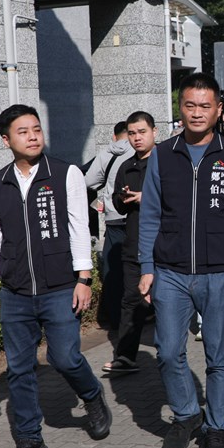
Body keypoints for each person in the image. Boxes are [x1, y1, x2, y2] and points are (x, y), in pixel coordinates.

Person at [0, 105, 112, 448]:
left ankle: (91, 395)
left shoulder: (65, 173)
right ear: (7, 140)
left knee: (65, 357)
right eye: (23, 131)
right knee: (20, 369)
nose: (33, 136)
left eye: (36, 129)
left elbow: (78, 227)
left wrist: (84, 278)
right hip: (16, 292)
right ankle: (29, 440)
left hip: (58, 287)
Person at [138, 73, 224, 448]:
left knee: (218, 356)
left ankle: (216, 428)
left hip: (220, 271)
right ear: (180, 107)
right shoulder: (162, 154)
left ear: (218, 110)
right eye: (189, 105)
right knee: (168, 351)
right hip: (170, 272)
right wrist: (146, 266)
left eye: (204, 106)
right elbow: (151, 215)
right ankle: (188, 414)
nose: (196, 112)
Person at [102, 111, 157, 373]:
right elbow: (118, 206)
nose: (136, 138)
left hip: (164, 245)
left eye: (142, 132)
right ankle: (125, 356)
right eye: (132, 133)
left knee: (166, 301)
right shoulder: (126, 167)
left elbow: (178, 202)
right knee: (130, 300)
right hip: (133, 243)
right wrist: (122, 199)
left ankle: (169, 352)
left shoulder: (165, 163)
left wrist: (146, 197)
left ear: (154, 132)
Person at [84, 121, 134, 328]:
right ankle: (141, 314)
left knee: (114, 268)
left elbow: (88, 182)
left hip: (114, 217)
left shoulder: (106, 154)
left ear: (114, 137)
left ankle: (114, 317)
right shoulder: (142, 150)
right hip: (137, 218)